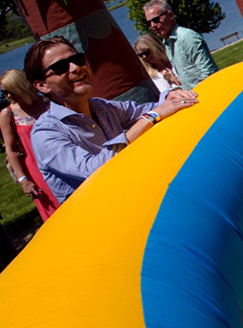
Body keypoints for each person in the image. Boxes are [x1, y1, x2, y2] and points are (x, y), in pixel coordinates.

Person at [25, 37, 199, 204]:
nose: (75, 68)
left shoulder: (101, 107)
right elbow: (93, 169)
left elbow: (148, 109)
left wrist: (170, 95)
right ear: (42, 85)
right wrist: (151, 118)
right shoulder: (46, 133)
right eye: (61, 67)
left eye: (78, 59)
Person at [0, 69, 59, 222]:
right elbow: (10, 150)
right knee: (56, 213)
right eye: (5, 93)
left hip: (61, 158)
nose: (9, 96)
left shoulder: (48, 102)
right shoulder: (8, 114)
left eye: (11, 91)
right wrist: (23, 180)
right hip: (37, 171)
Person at [143, 0, 218, 90]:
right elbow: (188, 80)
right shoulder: (168, 43)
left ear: (170, 15)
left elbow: (209, 73)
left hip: (209, 93)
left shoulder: (186, 37)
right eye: (148, 23)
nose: (152, 26)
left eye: (156, 20)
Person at [134, 33, 182, 99]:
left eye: (146, 52)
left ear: (155, 47)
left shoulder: (175, 60)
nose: (144, 57)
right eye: (141, 55)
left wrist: (173, 79)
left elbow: (192, 80)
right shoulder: (151, 76)